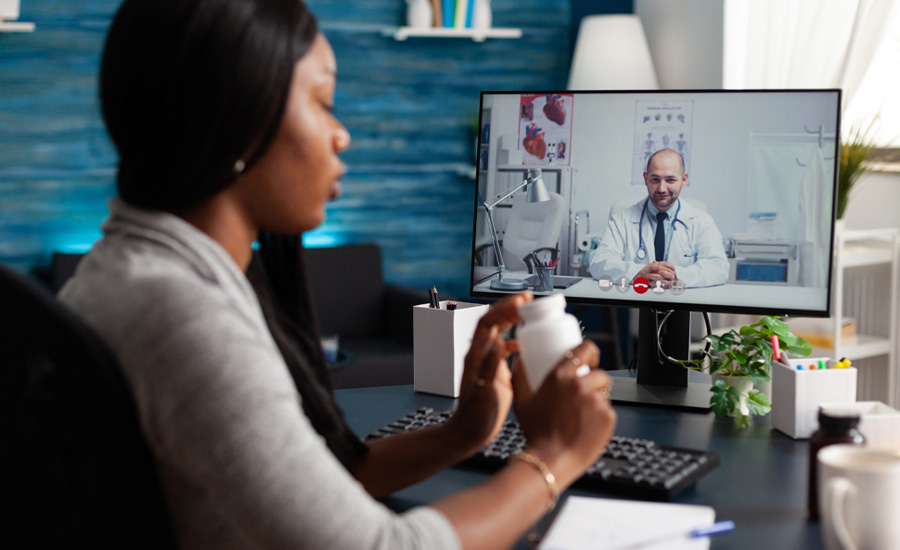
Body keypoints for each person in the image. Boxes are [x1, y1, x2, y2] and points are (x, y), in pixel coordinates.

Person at [57, 1, 617, 549]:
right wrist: (556, 456)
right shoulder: (182, 318)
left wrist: (461, 435)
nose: (340, 135)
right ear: (239, 123)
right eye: (323, 103)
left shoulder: (129, 276)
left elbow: (313, 496)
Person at [588, 148, 729, 289]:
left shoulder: (701, 220)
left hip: (683, 303)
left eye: (670, 180)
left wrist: (676, 276)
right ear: (645, 179)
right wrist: (638, 273)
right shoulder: (621, 220)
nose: (662, 188)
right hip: (636, 302)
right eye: (655, 179)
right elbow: (599, 262)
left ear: (683, 180)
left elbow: (719, 267)